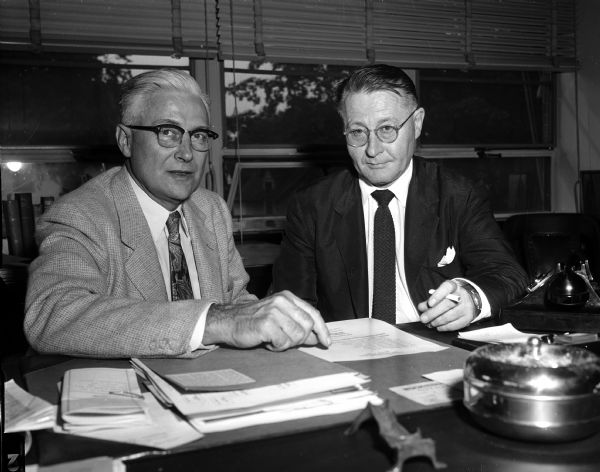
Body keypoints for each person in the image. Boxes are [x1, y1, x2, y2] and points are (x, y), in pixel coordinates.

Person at [24, 68, 330, 358]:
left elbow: (238, 305)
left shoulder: (211, 209)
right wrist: (212, 320)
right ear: (126, 140)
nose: (186, 153)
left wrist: (273, 325)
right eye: (168, 132)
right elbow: (52, 314)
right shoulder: (81, 214)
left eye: (197, 136)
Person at [273, 64, 528, 331]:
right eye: (358, 132)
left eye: (387, 129)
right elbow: (291, 305)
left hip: (435, 347)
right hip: (349, 355)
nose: (372, 150)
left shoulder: (457, 194)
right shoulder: (312, 206)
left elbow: (507, 274)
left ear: (416, 124)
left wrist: (472, 297)